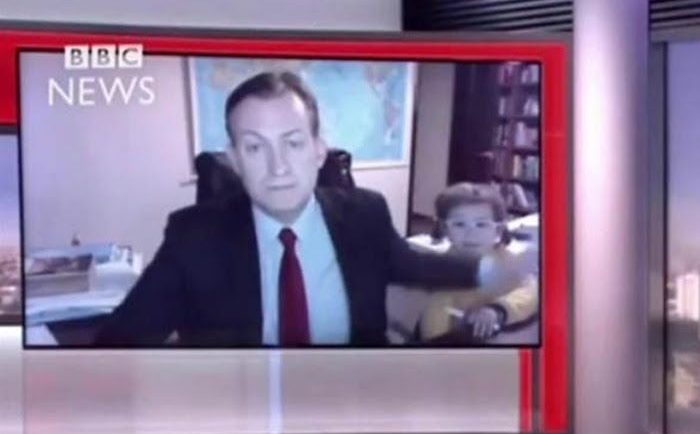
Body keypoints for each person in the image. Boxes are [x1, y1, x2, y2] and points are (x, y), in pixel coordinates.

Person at [96, 71, 533, 347]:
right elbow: (122, 342)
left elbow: (412, 263)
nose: (278, 167)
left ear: (319, 151)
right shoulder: (194, 236)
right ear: (233, 159)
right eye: (255, 147)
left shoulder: (365, 214)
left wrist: (494, 269)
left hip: (354, 419)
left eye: (293, 143)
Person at [415, 183, 538, 344]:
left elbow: (531, 290)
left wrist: (499, 310)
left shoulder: (506, 259)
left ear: (498, 230)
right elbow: (434, 321)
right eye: (459, 224)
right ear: (445, 229)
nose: (470, 233)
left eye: (481, 224)